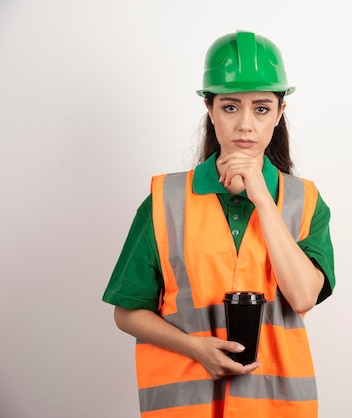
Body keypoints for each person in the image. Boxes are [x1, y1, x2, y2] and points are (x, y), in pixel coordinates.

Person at [102, 30, 335, 417]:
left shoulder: (305, 202)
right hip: (187, 405)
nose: (245, 124)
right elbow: (126, 312)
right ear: (210, 110)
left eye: (261, 108)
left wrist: (261, 196)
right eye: (230, 107)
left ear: (280, 112)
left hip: (276, 408)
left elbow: (304, 296)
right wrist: (195, 348)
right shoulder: (165, 201)